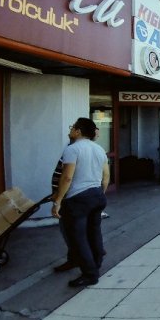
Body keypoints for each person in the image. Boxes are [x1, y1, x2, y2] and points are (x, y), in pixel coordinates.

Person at [51, 118, 110, 287]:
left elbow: (67, 177)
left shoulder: (72, 149)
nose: (70, 130)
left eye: (72, 127)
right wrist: (99, 195)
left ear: (78, 131)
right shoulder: (99, 149)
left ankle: (90, 274)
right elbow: (106, 177)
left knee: (79, 238)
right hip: (97, 196)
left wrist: (58, 201)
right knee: (94, 232)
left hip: (78, 199)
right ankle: (96, 262)